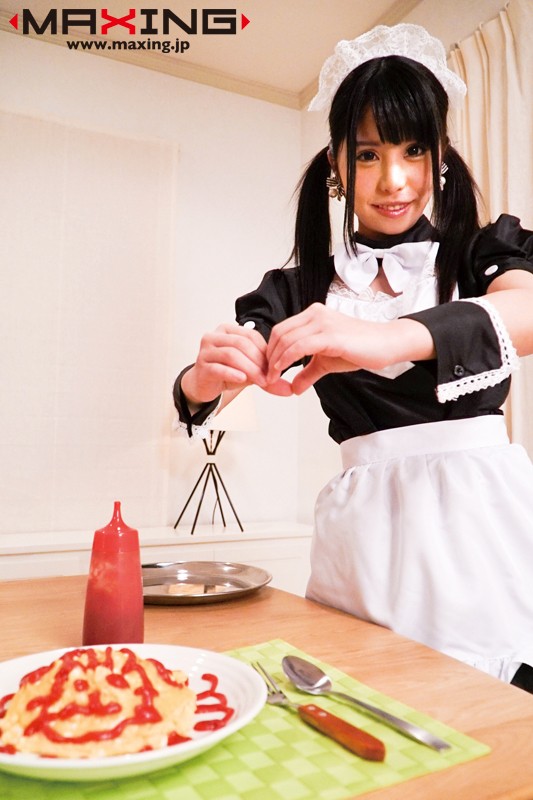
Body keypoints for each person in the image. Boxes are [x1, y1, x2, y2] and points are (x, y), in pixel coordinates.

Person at [173, 24, 533, 691]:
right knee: (362, 708)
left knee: (495, 714)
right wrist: (202, 380)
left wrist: (386, 335)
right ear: (336, 164)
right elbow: (218, 389)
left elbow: (527, 313)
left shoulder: (482, 253)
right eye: (368, 154)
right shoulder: (297, 290)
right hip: (367, 538)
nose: (393, 180)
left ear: (440, 155)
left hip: (481, 527)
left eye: (413, 149)